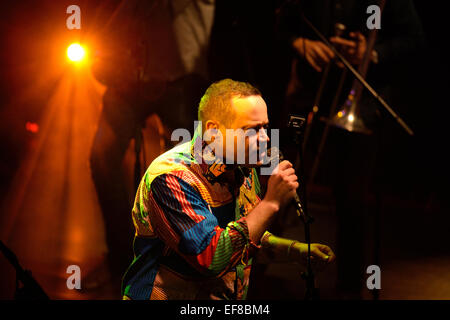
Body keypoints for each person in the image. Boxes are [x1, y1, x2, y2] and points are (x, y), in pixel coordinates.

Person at [121, 79, 335, 300]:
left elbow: (245, 236)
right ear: (213, 132)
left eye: (265, 127)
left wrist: (295, 250)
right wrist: (271, 203)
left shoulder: (242, 166)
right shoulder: (171, 177)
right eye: (252, 130)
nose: (266, 138)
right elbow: (211, 258)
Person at [277, 0, 425, 298]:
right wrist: (301, 43)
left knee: (352, 197)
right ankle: (259, 274)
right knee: (279, 182)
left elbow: (414, 40)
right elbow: (280, 24)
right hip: (309, 96)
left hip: (363, 103)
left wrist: (371, 52)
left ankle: (349, 287)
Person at [89, 0, 214, 283]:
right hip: (128, 77)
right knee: (101, 157)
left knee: (185, 173)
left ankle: (184, 259)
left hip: (182, 76)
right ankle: (125, 256)